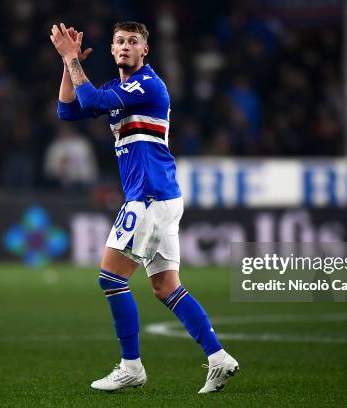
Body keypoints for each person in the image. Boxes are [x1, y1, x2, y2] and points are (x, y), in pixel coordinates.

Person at [50, 21, 239, 393]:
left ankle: (131, 366)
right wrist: (66, 64)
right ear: (111, 49)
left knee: (110, 277)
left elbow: (88, 101)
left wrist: (72, 57)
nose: (124, 47)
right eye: (119, 41)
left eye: (132, 42)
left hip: (149, 196)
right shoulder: (117, 88)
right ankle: (218, 358)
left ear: (144, 51)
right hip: (160, 196)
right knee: (167, 286)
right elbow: (67, 111)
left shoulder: (147, 84)